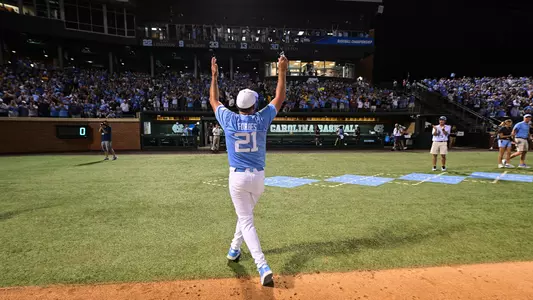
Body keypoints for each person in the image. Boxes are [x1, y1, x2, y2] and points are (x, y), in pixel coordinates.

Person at [209, 54, 288, 287]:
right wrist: (282, 71)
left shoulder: (229, 119)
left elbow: (214, 100)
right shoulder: (261, 119)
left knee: (246, 220)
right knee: (245, 218)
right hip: (258, 178)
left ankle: (262, 264)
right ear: (254, 105)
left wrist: (214, 76)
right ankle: (234, 250)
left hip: (238, 177)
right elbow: (279, 97)